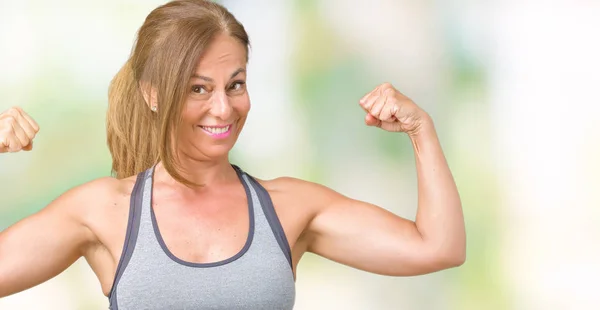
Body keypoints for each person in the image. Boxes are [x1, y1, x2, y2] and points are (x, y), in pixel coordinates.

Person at [0, 0, 466, 309]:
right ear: (153, 94)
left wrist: (421, 130)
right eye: (198, 88)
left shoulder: (288, 208)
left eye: (235, 85)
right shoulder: (104, 211)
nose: (223, 107)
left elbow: (438, 247)